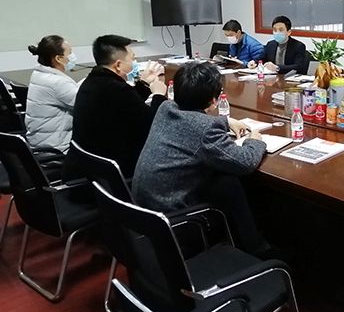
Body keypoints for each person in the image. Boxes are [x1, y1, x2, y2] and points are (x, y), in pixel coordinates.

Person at [132, 62, 269, 254]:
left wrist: (226, 121)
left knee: (226, 183)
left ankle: (251, 244)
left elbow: (192, 122)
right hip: (175, 219)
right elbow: (245, 162)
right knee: (230, 183)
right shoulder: (205, 129)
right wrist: (254, 141)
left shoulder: (166, 107)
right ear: (214, 100)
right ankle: (257, 249)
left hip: (145, 212)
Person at [63, 35, 167, 180]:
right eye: (132, 59)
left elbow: (127, 105)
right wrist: (159, 95)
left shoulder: (93, 81)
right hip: (110, 174)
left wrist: (144, 83)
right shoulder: (116, 89)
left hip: (87, 167)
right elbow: (154, 125)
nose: (134, 63)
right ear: (118, 65)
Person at [25, 35, 80, 154]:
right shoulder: (57, 82)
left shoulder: (39, 74)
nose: (72, 55)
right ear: (59, 59)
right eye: (70, 52)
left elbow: (72, 93)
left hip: (39, 142)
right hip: (57, 148)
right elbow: (84, 103)